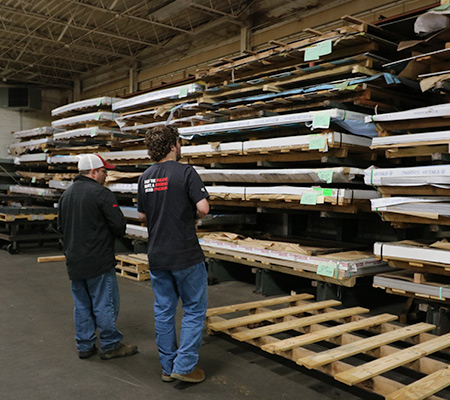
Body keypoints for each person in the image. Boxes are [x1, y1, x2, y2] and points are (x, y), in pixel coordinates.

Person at [137, 125, 209, 384]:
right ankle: (185, 366)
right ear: (172, 145)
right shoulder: (186, 172)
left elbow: (143, 216)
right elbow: (203, 208)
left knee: (164, 310)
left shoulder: (144, 177)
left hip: (157, 254)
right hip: (185, 253)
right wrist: (189, 214)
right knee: (193, 309)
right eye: (179, 142)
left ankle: (167, 368)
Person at [58, 153, 138, 360]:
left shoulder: (66, 195)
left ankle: (85, 345)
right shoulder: (101, 193)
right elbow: (118, 225)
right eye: (104, 171)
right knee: (105, 302)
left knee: (82, 303)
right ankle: (110, 344)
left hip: (74, 260)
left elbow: (60, 227)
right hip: (98, 260)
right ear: (93, 172)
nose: (106, 176)